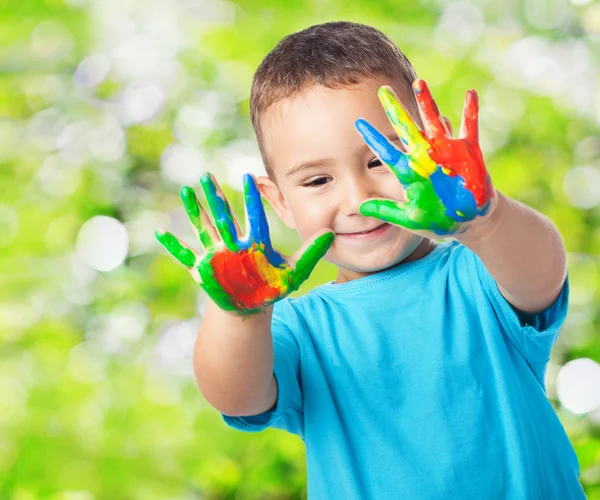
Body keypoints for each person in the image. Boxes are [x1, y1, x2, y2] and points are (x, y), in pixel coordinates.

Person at [156, 21, 586, 499]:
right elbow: (236, 395)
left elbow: (543, 272)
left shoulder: (478, 272)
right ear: (279, 202)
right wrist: (240, 315)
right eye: (317, 181)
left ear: (426, 149)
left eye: (380, 160)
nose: (358, 198)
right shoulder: (299, 328)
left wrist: (483, 221)